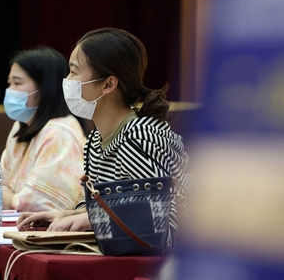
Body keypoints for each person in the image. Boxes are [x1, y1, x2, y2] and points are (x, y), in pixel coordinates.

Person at [17, 28, 189, 249]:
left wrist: (89, 219)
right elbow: (106, 204)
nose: (67, 81)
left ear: (108, 84)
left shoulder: (140, 136)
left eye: (74, 72)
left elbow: (158, 223)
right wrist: (66, 214)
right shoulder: (95, 140)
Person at [0, 46, 91, 212]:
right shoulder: (20, 127)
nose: (10, 90)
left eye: (17, 83)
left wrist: (7, 198)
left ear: (45, 87)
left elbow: (42, 203)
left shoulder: (60, 132)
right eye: (9, 83)